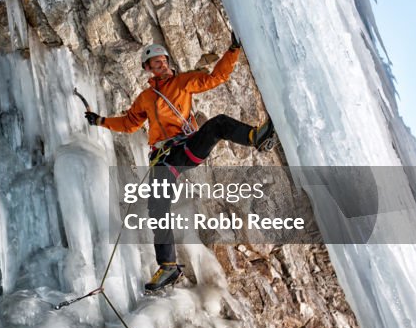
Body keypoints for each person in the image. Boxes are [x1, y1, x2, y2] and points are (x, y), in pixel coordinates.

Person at [85, 35, 276, 291]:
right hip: (163, 159)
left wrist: (232, 50)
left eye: (162, 61)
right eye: (154, 63)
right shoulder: (145, 98)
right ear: (147, 69)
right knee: (157, 208)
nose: (160, 65)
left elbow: (215, 78)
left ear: (168, 62)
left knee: (218, 123)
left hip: (186, 147)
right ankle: (167, 266)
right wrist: (100, 121)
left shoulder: (182, 82)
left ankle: (255, 137)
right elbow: (130, 123)